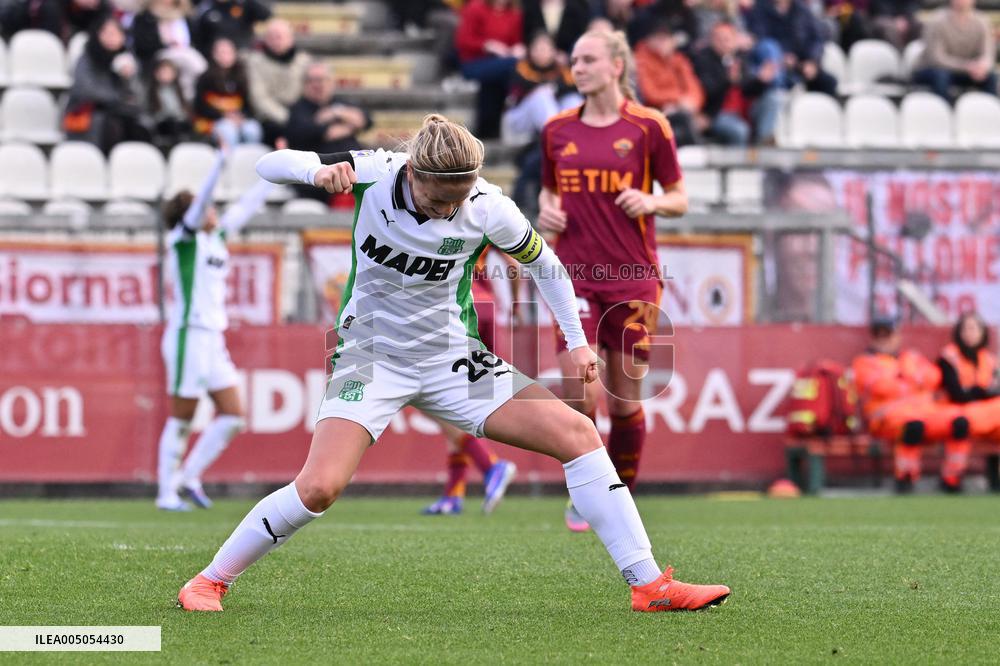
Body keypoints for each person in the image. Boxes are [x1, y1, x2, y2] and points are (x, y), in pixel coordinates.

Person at [175, 114, 730, 613]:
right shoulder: (373, 171)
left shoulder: (487, 204)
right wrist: (316, 173)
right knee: (319, 488)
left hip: (451, 358)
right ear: (413, 171)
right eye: (441, 198)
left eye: (459, 199)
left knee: (579, 433)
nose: (449, 210)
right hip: (370, 357)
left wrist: (578, 341)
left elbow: (549, 268)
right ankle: (209, 581)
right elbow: (268, 163)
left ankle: (648, 584)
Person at [538, 30, 687, 531]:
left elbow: (679, 197)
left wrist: (652, 201)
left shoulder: (649, 127)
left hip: (632, 277)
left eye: (587, 60)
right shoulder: (556, 129)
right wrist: (547, 217)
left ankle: (621, 492)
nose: (576, 68)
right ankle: (588, 493)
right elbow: (547, 196)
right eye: (574, 60)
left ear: (616, 65)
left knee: (625, 400)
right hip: (573, 274)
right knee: (579, 387)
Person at [156, 149, 274, 511]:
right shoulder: (183, 240)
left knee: (233, 416)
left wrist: (278, 172)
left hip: (213, 339)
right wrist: (220, 163)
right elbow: (200, 205)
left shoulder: (216, 237)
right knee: (182, 417)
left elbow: (248, 206)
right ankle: (165, 494)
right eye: (206, 207)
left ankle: (188, 476)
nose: (213, 210)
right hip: (187, 335)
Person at [424, 246, 520, 515]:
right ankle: (453, 495)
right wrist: (515, 304)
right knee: (461, 403)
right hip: (486, 311)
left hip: (457, 310)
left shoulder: (433, 215)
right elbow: (514, 265)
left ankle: (491, 467)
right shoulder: (484, 214)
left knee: (431, 396)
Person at [851, 316, 970, 493]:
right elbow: (880, 387)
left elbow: (935, 377)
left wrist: (902, 379)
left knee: (960, 421)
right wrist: (913, 380)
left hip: (926, 412)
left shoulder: (911, 357)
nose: (884, 340)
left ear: (898, 336)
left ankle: (952, 476)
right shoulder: (865, 362)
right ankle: (905, 477)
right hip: (887, 418)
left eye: (888, 334)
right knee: (913, 426)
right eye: (879, 335)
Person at [285, 62, 372, 204]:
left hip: (352, 177)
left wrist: (335, 112)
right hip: (319, 185)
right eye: (311, 80)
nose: (317, 85)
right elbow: (323, 132)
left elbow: (365, 120)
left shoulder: (339, 103)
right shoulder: (298, 110)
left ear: (331, 82)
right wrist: (350, 126)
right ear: (304, 84)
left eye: (321, 80)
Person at [64, 17, 150, 153]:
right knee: (112, 126)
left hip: (122, 113)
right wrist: (116, 98)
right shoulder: (87, 58)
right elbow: (84, 90)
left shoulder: (127, 61)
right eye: (107, 33)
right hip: (89, 114)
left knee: (140, 128)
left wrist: (129, 78)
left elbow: (139, 97)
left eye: (116, 33)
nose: (111, 38)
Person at [936, 311, 1000, 491]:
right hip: (955, 409)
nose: (970, 333)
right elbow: (956, 392)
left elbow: (994, 389)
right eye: (966, 328)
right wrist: (981, 392)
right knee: (960, 423)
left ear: (982, 332)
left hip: (984, 413)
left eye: (974, 328)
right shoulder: (949, 356)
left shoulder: (989, 359)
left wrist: (979, 392)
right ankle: (951, 477)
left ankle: (995, 474)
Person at [692, 21, 783, 146]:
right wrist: (727, 81)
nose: (723, 43)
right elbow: (706, 91)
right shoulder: (702, 60)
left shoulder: (740, 58)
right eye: (718, 39)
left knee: (773, 98)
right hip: (715, 113)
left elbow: (747, 88)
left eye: (727, 39)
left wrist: (761, 81)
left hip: (741, 111)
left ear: (735, 41)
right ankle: (741, 165)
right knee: (739, 130)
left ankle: (762, 144)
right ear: (711, 40)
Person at [454, 0, 525, 139]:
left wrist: (517, 48)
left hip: (500, 66)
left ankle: (488, 130)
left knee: (494, 81)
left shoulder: (515, 14)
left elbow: (515, 41)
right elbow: (462, 41)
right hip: (474, 63)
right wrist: (487, 45)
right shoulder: (476, 8)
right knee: (512, 67)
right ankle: (514, 105)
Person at [745, 0, 838, 98]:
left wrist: (812, 61)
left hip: (800, 65)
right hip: (774, 67)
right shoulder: (760, 9)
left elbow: (816, 39)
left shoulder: (801, 9)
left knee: (828, 83)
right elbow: (760, 40)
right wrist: (782, 57)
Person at [633, 23, 705, 146]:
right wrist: (678, 100)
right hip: (654, 111)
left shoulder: (679, 60)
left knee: (685, 122)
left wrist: (690, 103)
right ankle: (698, 157)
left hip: (680, 110)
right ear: (649, 40)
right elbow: (649, 93)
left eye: (666, 38)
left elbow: (695, 89)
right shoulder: (641, 60)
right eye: (659, 38)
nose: (663, 43)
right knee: (682, 124)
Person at [912, 0, 997, 102]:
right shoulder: (937, 20)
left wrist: (982, 66)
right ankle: (944, 112)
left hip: (967, 70)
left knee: (991, 77)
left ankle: (991, 112)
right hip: (931, 69)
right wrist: (967, 66)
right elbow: (936, 58)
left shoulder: (982, 21)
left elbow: (988, 54)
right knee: (942, 76)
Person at [246, 18, 312, 145]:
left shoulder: (304, 61)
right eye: (272, 37)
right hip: (269, 119)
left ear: (291, 38)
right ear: (265, 40)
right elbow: (259, 98)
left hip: (299, 113)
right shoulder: (254, 62)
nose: (277, 41)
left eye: (281, 36)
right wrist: (288, 119)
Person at [193, 37, 263, 145]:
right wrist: (223, 116)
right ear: (214, 54)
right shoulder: (205, 77)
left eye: (228, 52)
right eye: (221, 52)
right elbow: (200, 106)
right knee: (228, 131)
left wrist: (242, 117)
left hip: (238, 119)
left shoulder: (241, 75)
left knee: (252, 129)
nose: (225, 56)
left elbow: (248, 104)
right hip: (214, 120)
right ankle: (231, 161)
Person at [130, 0, 207, 98]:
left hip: (186, 59)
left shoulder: (186, 16)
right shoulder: (145, 17)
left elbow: (197, 40)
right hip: (158, 58)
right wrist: (167, 44)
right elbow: (141, 44)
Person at [145, 56, 196, 148]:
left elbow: (183, 110)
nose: (166, 75)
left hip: (180, 122)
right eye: (163, 72)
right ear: (156, 74)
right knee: (173, 124)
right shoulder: (151, 91)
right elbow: (153, 112)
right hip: (161, 123)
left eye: (169, 72)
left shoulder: (179, 91)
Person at [193, 0, 271, 55]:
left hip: (242, 53)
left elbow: (265, 15)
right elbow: (198, 37)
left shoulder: (243, 5)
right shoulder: (206, 7)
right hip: (215, 58)